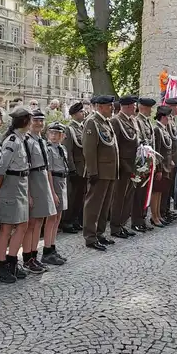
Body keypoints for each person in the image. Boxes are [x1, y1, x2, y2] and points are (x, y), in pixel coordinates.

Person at [0, 105, 32, 284]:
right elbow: (1, 170)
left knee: (23, 225)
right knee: (7, 227)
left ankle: (12, 260)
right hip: (11, 184)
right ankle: (1, 265)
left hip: (21, 184)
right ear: (25, 121)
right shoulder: (11, 141)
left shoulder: (21, 139)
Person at [82, 95, 119, 250]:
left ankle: (100, 233)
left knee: (104, 205)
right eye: (109, 106)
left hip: (109, 171)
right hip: (99, 171)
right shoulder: (92, 122)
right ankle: (90, 236)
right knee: (94, 205)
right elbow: (89, 149)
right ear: (100, 106)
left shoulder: (105, 122)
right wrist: (92, 171)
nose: (112, 108)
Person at [22, 109, 57, 271]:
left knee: (39, 222)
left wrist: (51, 190)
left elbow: (48, 169)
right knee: (31, 223)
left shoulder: (42, 141)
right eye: (35, 120)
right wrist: (28, 193)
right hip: (33, 180)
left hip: (43, 181)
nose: (39, 124)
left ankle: (34, 255)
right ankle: (27, 257)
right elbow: (26, 169)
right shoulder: (27, 141)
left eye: (41, 121)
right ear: (29, 122)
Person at [110, 96, 139, 239]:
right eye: (133, 106)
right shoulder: (116, 121)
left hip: (132, 164)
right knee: (119, 197)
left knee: (128, 197)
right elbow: (115, 146)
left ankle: (122, 224)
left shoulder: (130, 120)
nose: (135, 108)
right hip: (122, 165)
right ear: (126, 106)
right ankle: (115, 227)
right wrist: (121, 165)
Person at [42, 122, 69, 265]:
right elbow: (49, 172)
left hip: (62, 181)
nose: (53, 136)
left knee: (57, 217)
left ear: (62, 136)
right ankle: (46, 250)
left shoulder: (62, 149)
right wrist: (52, 192)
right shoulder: (48, 150)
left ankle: (52, 247)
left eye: (57, 133)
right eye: (51, 133)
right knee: (51, 217)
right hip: (55, 182)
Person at [132, 97, 156, 232]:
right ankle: (136, 220)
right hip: (141, 162)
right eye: (149, 108)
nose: (151, 110)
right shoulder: (137, 121)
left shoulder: (146, 121)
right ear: (143, 107)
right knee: (139, 193)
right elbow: (140, 140)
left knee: (146, 191)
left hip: (148, 161)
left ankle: (142, 218)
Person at [62, 102, 85, 233]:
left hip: (84, 168)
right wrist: (71, 168)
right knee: (72, 196)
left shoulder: (82, 128)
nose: (83, 113)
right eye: (81, 112)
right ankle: (67, 221)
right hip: (76, 168)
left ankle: (75, 219)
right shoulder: (69, 129)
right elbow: (68, 151)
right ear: (75, 114)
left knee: (80, 196)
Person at [151, 105, 174, 228]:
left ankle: (158, 214)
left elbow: (168, 149)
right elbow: (157, 150)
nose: (170, 119)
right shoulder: (157, 129)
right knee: (156, 192)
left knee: (160, 191)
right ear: (164, 117)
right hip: (161, 166)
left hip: (166, 165)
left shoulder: (164, 129)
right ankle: (154, 216)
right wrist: (158, 168)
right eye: (169, 116)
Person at [160, 96, 177, 222]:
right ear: (170, 107)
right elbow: (167, 142)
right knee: (165, 188)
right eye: (176, 106)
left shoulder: (172, 121)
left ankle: (166, 209)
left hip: (173, 158)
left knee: (169, 188)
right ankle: (163, 211)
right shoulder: (167, 122)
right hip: (168, 160)